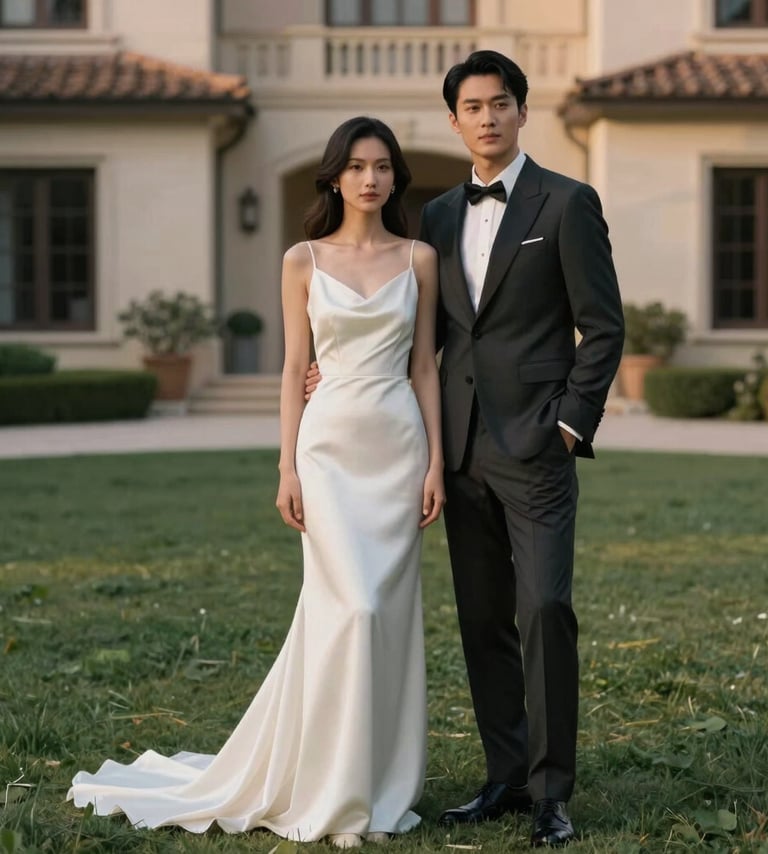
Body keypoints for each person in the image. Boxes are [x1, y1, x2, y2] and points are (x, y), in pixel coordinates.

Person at [67, 116, 445, 850]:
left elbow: (425, 365)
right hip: (329, 446)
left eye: (383, 166)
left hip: (397, 444)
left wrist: (433, 461)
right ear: (334, 176)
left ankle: (377, 779)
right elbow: (290, 368)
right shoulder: (301, 259)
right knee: (350, 609)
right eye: (357, 166)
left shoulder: (420, 258)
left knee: (386, 615)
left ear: (395, 177)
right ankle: (326, 781)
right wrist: (286, 465)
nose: (371, 178)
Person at [305, 50, 625, 848]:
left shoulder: (569, 202)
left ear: (522, 112)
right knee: (482, 620)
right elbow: (423, 335)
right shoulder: (439, 217)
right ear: (455, 121)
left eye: (500, 103)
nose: (486, 118)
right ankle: (505, 776)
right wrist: (332, 366)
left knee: (544, 609)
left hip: (538, 447)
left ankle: (553, 792)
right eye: (472, 107)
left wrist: (570, 423)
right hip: (455, 450)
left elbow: (603, 326)